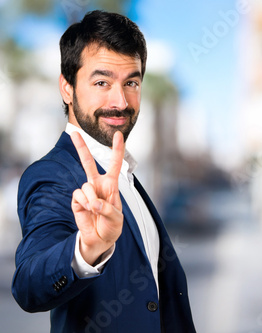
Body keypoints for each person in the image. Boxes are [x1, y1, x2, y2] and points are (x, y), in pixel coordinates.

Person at [11, 10, 196, 333]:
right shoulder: (52, 174)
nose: (120, 100)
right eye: (101, 82)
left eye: (131, 83)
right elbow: (29, 284)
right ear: (67, 88)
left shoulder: (123, 173)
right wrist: (86, 249)